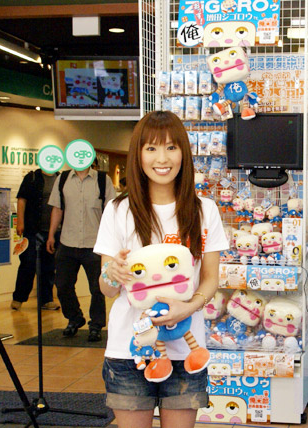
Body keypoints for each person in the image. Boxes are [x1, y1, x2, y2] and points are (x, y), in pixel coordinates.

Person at [93, 110, 227, 428]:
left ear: (183, 153)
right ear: (138, 155)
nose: (162, 158)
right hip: (129, 350)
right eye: (151, 148)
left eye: (171, 147)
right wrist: (113, 273)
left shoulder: (204, 210)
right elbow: (107, 288)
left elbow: (210, 279)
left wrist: (188, 307)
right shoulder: (118, 210)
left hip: (186, 352)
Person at [46, 161, 116, 342]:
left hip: (95, 243)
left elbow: (112, 211)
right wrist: (51, 235)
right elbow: (57, 209)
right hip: (67, 241)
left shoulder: (103, 180)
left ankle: (96, 325)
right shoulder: (62, 179)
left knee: (97, 288)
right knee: (62, 284)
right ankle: (74, 318)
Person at [11, 168, 61, 311]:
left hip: (53, 231)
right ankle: (18, 297)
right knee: (28, 263)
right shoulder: (32, 177)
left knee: (49, 266)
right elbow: (22, 200)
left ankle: (46, 300)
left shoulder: (60, 178)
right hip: (33, 230)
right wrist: (20, 222)